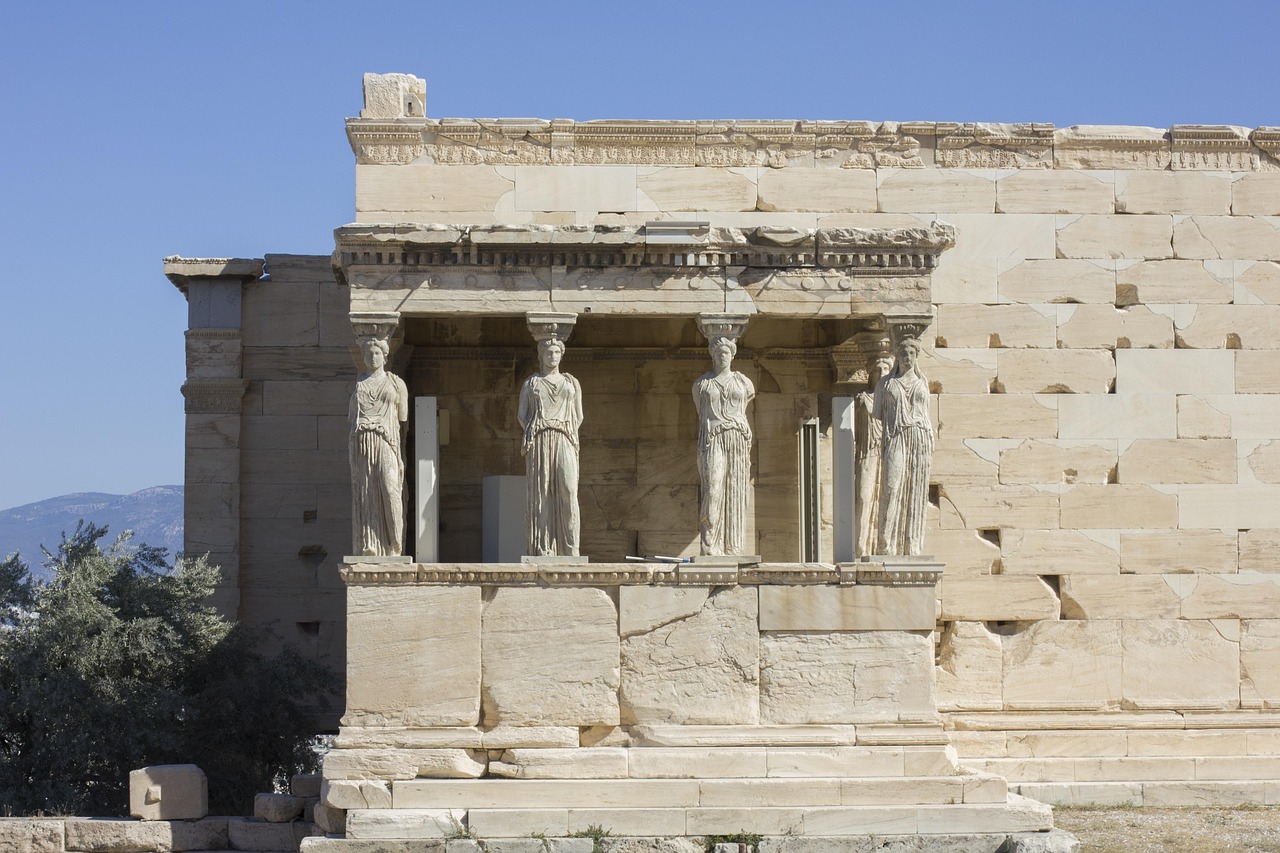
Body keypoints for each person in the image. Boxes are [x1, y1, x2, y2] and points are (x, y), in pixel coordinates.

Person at [518, 338, 583, 557]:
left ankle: (571, 548)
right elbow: (522, 415)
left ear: (562, 354)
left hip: (565, 437)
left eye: (556, 352)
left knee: (569, 489)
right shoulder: (531, 383)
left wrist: (564, 429)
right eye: (548, 352)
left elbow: (579, 415)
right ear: (541, 355)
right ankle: (542, 549)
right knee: (541, 493)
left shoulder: (571, 382)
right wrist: (537, 429)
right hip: (539, 439)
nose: (552, 356)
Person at [693, 336, 755, 556]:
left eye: (726, 352)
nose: (722, 356)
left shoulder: (744, 382)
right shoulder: (702, 384)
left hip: (738, 438)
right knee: (713, 488)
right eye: (718, 352)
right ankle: (710, 545)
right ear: (712, 355)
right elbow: (702, 415)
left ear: (733, 354)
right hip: (713, 438)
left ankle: (733, 547)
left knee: (736, 489)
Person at [349, 337, 409, 557]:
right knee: (367, 491)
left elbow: (402, 416)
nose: (372, 357)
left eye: (376, 353)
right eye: (368, 354)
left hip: (387, 441)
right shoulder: (359, 385)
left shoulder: (396, 383)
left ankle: (395, 545)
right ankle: (371, 545)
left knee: (390, 487)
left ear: (385, 356)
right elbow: (351, 418)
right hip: (364, 441)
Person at [875, 336, 933, 556]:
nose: (907, 357)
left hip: (920, 438)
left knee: (915, 489)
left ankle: (912, 545)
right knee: (892, 486)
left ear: (916, 356)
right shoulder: (886, 384)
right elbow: (878, 413)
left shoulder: (922, 383)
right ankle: (885, 543)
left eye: (911, 353)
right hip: (896, 437)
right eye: (903, 353)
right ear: (897, 356)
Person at [855, 356, 892, 557]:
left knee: (884, 497)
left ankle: (880, 547)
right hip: (866, 454)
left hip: (885, 453)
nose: (883, 374)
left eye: (886, 369)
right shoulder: (862, 398)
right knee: (864, 497)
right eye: (879, 370)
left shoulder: (891, 401)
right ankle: (860, 546)